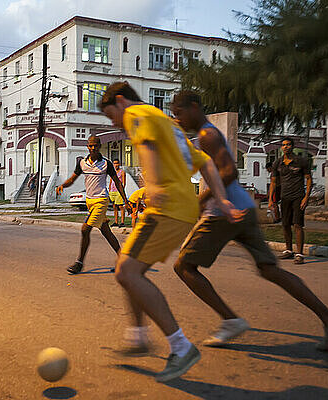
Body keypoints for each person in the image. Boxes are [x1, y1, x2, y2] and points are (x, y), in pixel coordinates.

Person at [170, 91, 328, 351]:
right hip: (243, 207)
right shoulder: (204, 135)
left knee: (184, 267)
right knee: (269, 269)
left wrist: (200, 201)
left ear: (195, 107)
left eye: (179, 113)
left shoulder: (208, 135)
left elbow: (228, 171)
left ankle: (231, 320)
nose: (178, 119)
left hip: (223, 213)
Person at [99, 82, 243, 382]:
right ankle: (138, 337)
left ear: (121, 101)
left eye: (110, 114)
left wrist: (151, 186)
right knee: (128, 266)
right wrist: (224, 200)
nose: (113, 122)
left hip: (166, 206)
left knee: (127, 272)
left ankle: (181, 347)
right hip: (181, 208)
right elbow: (206, 164)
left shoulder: (136, 115)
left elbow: (149, 147)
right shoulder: (166, 122)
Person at [56, 135, 131, 274]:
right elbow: (72, 179)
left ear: (99, 146)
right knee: (106, 232)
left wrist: (125, 200)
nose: (93, 148)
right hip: (90, 201)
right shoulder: (82, 163)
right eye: (90, 145)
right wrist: (62, 185)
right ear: (87, 147)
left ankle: (79, 263)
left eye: (95, 145)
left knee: (85, 229)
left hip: (101, 200)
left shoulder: (106, 163)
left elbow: (117, 182)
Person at [268, 138, 312, 265]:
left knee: (298, 224)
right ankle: (288, 250)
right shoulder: (278, 163)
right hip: (284, 197)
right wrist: (271, 199)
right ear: (281, 147)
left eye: (288, 145)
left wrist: (306, 197)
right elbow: (273, 182)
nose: (285, 147)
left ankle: (299, 254)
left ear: (292, 146)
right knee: (285, 224)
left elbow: (308, 179)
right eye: (283, 145)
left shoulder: (301, 161)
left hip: (298, 197)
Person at [109, 159, 127, 227]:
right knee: (114, 207)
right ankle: (116, 221)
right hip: (112, 191)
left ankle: (122, 222)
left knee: (121, 206)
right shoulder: (112, 172)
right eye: (114, 163)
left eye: (117, 163)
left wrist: (122, 190)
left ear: (119, 164)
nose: (116, 165)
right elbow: (111, 181)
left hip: (118, 191)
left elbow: (124, 183)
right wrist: (110, 189)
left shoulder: (122, 172)